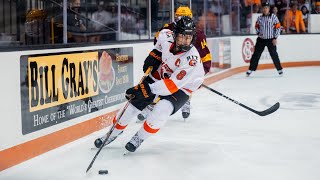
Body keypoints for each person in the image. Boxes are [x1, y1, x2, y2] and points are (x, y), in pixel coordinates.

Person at [94, 16, 205, 152]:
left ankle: (139, 137)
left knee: (161, 111)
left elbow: (171, 86)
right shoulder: (166, 35)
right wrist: (155, 55)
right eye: (182, 36)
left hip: (182, 87)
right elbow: (160, 45)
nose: (185, 41)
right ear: (175, 34)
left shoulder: (191, 60)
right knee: (131, 106)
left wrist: (146, 88)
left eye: (189, 37)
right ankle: (111, 134)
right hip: (162, 74)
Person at [137, 6, 212, 121]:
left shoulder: (197, 34)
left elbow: (204, 56)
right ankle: (152, 103)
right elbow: (158, 44)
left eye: (184, 17)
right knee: (161, 82)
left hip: (185, 65)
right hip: (169, 63)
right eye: (178, 17)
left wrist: (199, 74)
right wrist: (155, 58)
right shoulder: (167, 28)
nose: (181, 19)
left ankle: (186, 99)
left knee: (181, 84)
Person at [246, 2, 284, 76]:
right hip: (261, 39)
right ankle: (251, 69)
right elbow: (256, 26)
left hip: (271, 39)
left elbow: (278, 28)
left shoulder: (274, 17)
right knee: (256, 55)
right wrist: (258, 33)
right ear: (262, 9)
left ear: (269, 9)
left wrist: (275, 38)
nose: (265, 9)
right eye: (263, 8)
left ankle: (279, 69)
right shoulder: (259, 18)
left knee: (274, 54)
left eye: (266, 8)